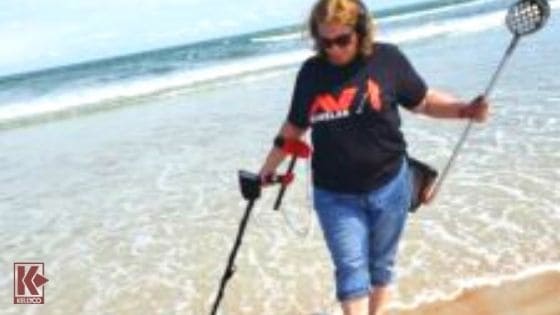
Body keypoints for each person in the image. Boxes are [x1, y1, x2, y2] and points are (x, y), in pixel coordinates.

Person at [258, 0, 489, 314]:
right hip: (335, 194)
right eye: (326, 42)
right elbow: (294, 127)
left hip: (390, 185)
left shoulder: (387, 60)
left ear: (361, 31)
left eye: (343, 40)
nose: (334, 50)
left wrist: (463, 110)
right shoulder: (311, 74)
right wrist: (264, 173)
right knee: (350, 270)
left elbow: (423, 102)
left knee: (381, 267)